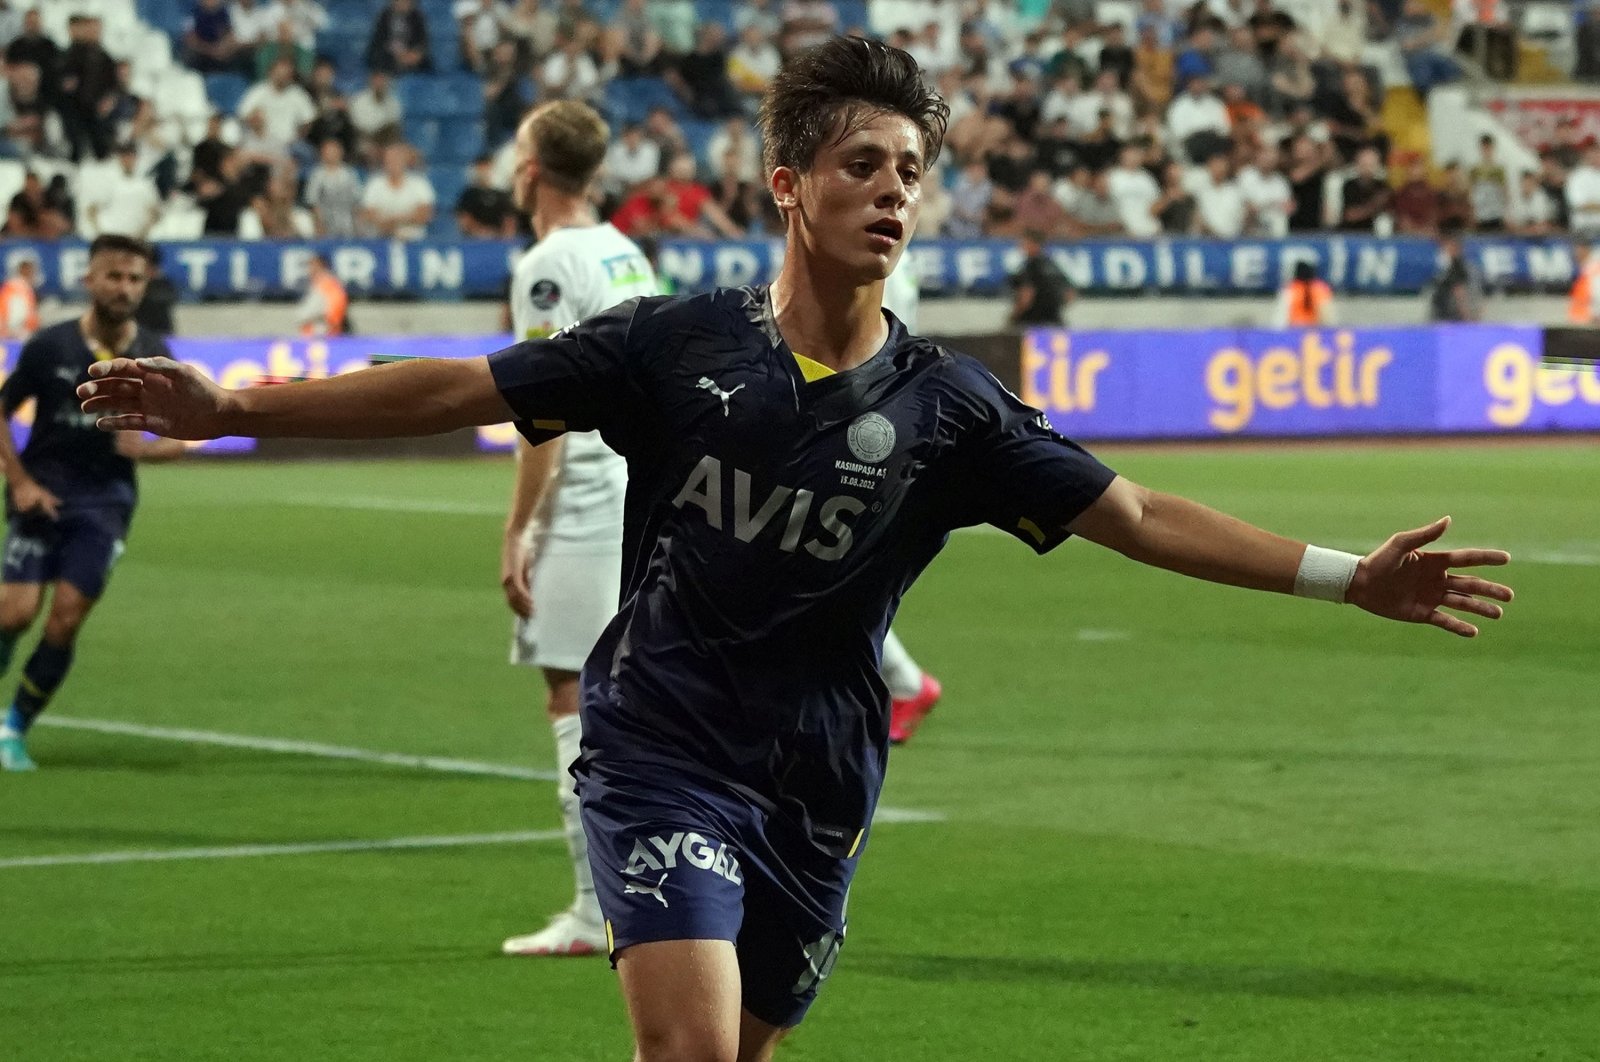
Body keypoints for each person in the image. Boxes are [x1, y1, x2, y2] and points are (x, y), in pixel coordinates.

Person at [79, 38, 1514, 1057]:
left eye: (910, 171)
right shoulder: (676, 344)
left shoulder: (952, 409)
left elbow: (1132, 514)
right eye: (862, 165)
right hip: (658, 744)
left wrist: (1346, 574)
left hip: (820, 778)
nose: (893, 193)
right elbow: (465, 385)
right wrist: (236, 407)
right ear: (786, 182)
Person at [495, 100, 665, 958]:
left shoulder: (549, 262)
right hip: (644, 491)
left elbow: (540, 411)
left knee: (572, 694)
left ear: (530, 167)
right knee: (634, 700)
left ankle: (592, 905)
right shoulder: (622, 249)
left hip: (588, 504)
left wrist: (519, 528)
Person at [0, 235, 185, 771]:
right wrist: (19, 482)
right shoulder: (52, 347)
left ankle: (13, 729)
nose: (124, 288)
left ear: (145, 285)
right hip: (43, 494)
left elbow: (186, 436)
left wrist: (148, 450)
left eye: (134, 279)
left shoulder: (153, 355)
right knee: (14, 614)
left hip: (105, 503)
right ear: (89, 280)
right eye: (113, 276)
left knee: (64, 621)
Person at [1010, 229, 1073, 326]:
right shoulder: (1052, 265)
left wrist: (1014, 317)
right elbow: (1069, 294)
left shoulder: (1030, 266)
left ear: (1033, 244)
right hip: (1054, 321)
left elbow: (1026, 295)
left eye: (1024, 243)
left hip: (1031, 323)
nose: (1021, 246)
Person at [295, 253, 347, 336]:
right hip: (312, 335)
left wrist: (328, 327)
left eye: (312, 266)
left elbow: (334, 313)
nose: (309, 270)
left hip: (324, 335)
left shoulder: (329, 284)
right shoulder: (316, 285)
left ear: (320, 266)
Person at [1273, 261, 1336, 327]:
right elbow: (1328, 316)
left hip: (1294, 332)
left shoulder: (1290, 289)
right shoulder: (1320, 288)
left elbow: (1280, 317)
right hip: (1314, 332)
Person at [0, 259, 40, 341]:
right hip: (13, 336)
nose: (34, 276)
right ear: (25, 271)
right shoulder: (19, 288)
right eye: (32, 272)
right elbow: (15, 317)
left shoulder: (12, 286)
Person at [1567, 241, 1600, 325]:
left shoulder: (1594, 268)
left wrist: (1596, 314)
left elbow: (1597, 292)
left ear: (1586, 249)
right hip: (1583, 318)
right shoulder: (1586, 267)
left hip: (1591, 319)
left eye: (1579, 249)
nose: (1576, 252)